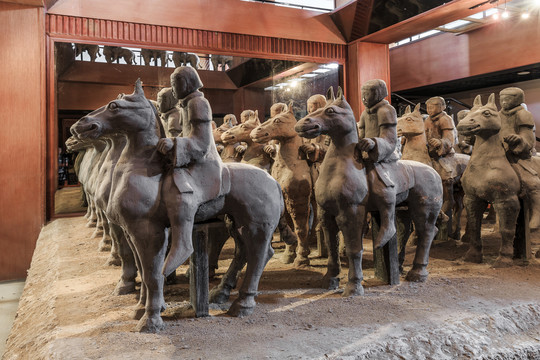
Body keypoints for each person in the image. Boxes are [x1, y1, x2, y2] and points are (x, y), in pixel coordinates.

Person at [156, 66, 225, 275]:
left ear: (186, 83)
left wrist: (174, 143)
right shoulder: (187, 104)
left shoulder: (198, 103)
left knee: (180, 191)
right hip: (190, 159)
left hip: (204, 163)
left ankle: (183, 242)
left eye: (175, 84)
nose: (173, 89)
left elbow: (202, 143)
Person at [356, 79, 399, 249]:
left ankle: (388, 223)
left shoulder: (386, 110)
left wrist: (374, 143)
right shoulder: (365, 113)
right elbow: (361, 133)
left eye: (369, 93)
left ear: (379, 93)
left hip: (384, 154)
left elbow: (390, 138)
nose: (364, 97)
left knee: (382, 183)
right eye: (363, 93)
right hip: (367, 154)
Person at [499, 87, 540, 230]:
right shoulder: (498, 115)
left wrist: (518, 140)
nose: (504, 101)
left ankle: (536, 212)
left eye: (508, 98)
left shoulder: (523, 114)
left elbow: (528, 138)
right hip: (500, 153)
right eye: (502, 98)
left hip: (518, 155)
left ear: (518, 99)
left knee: (529, 180)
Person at [424, 96, 457, 219]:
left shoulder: (445, 119)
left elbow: (450, 138)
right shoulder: (427, 120)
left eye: (432, 106)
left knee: (445, 174)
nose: (429, 109)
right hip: (429, 153)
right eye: (427, 107)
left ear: (442, 106)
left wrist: (440, 142)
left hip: (444, 154)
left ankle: (448, 199)